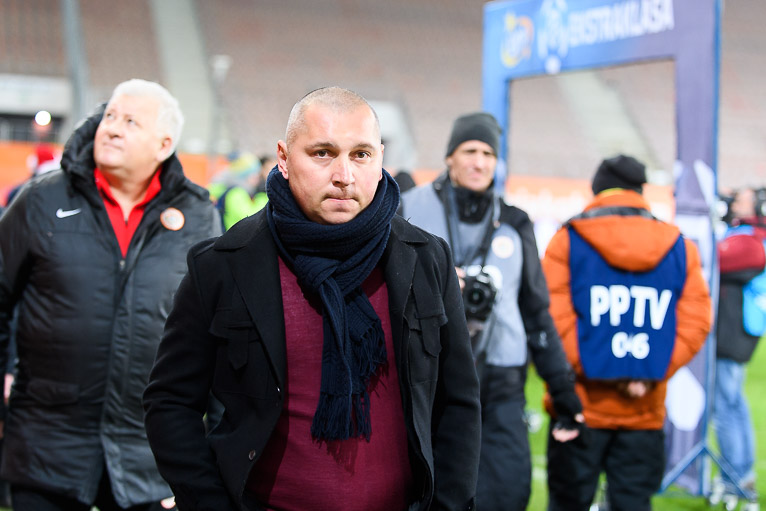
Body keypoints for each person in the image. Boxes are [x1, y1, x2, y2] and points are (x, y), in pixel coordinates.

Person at [143, 86, 482, 511]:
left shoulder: (426, 259)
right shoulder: (222, 265)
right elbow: (170, 402)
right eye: (323, 153)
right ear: (283, 158)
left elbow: (459, 404)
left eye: (361, 155)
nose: (344, 175)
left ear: (380, 159)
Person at [0, 78, 221, 510]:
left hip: (151, 456)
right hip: (46, 447)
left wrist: (211, 450)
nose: (113, 128)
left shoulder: (198, 216)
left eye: (131, 122)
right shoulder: (41, 200)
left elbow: (216, 332)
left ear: (164, 145)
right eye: (111, 117)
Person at [399, 112, 583, 511]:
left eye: (488, 154)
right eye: (469, 151)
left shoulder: (515, 222)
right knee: (431, 488)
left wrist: (562, 389)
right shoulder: (409, 207)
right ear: (450, 157)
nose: (479, 162)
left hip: (500, 377)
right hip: (430, 374)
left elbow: (535, 310)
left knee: (507, 490)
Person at [541, 155, 712, 511]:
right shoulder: (679, 245)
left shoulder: (568, 239)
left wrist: (601, 366)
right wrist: (647, 370)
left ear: (598, 189)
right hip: (643, 409)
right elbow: (696, 321)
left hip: (579, 406)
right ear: (640, 191)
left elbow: (552, 319)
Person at [710, 187, 765, 507]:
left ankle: (735, 478)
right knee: (733, 403)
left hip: (731, 333)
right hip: (736, 331)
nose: (733, 204)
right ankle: (741, 474)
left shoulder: (750, 241)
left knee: (726, 406)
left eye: (740, 199)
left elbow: (713, 256)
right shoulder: (748, 236)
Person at [208, 151, 269, 231]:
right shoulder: (236, 193)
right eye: (255, 174)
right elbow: (250, 218)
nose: (258, 177)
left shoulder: (238, 191)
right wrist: (264, 197)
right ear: (245, 174)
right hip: (233, 236)